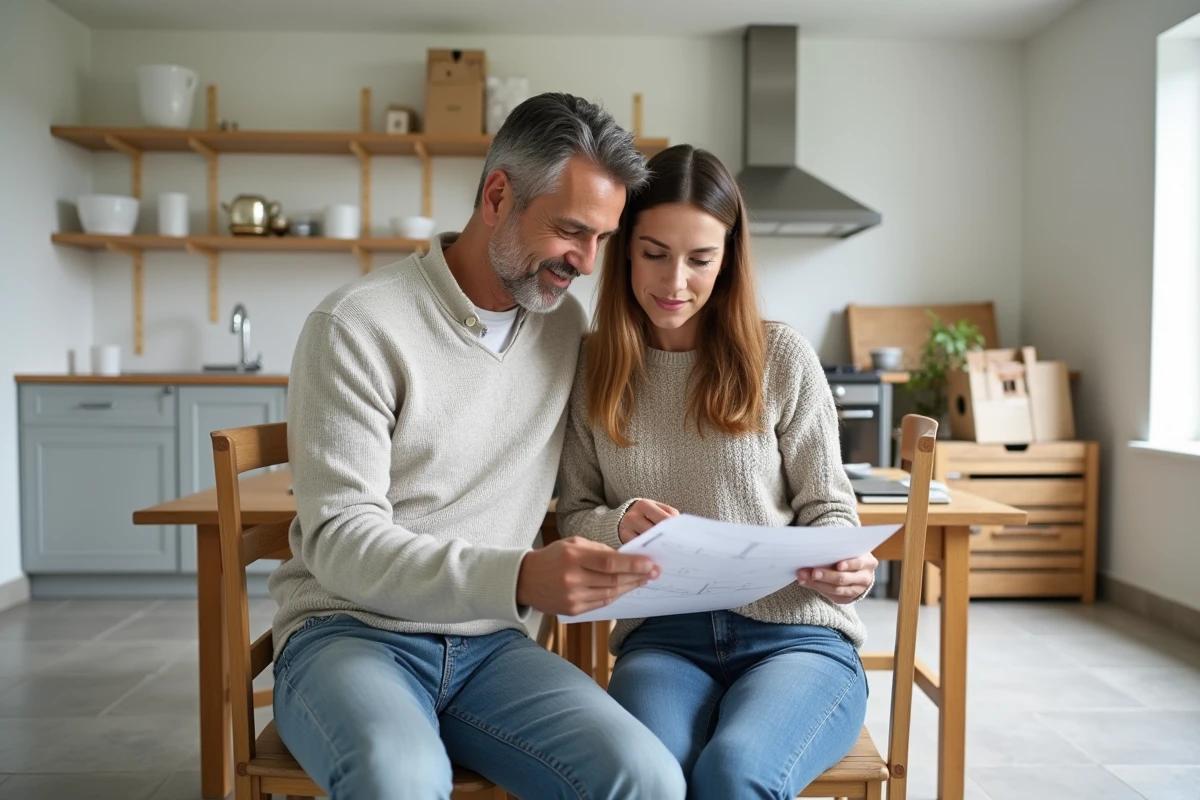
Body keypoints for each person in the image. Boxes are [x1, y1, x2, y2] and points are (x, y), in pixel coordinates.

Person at [269, 93, 686, 800]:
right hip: (349, 634)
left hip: (492, 647)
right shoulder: (357, 326)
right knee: (397, 780)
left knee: (647, 780)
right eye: (570, 231)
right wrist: (519, 577)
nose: (585, 262)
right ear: (498, 195)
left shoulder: (561, 327)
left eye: (603, 239)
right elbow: (339, 541)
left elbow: (595, 469)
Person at [557, 144, 877, 799]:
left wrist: (847, 565)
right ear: (623, 250)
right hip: (664, 642)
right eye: (654, 253)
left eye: (701, 259)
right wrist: (618, 524)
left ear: (728, 258)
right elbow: (574, 511)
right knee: (650, 779)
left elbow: (830, 508)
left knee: (735, 774)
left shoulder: (779, 355)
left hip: (796, 637)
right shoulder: (593, 366)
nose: (675, 282)